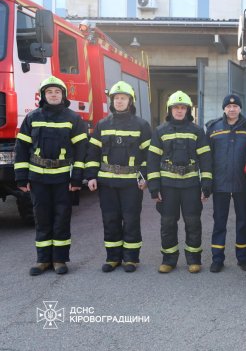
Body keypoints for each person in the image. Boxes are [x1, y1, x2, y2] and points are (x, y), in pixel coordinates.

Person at [15, 76, 88, 276]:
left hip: (63, 178)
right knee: (42, 217)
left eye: (57, 92)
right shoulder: (32, 118)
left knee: (62, 218)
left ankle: (59, 260)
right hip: (38, 177)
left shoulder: (73, 118)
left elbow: (82, 151)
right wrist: (21, 177)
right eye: (49, 92)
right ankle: (42, 260)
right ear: (43, 95)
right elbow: (21, 148)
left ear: (63, 95)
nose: (53, 95)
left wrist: (76, 179)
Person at [85, 81, 152, 273]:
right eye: (116, 98)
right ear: (112, 101)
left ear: (130, 101)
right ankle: (113, 257)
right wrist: (91, 176)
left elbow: (150, 155)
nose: (120, 101)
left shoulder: (141, 125)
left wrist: (144, 177)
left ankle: (131, 259)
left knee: (131, 220)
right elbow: (93, 153)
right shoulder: (102, 125)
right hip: (107, 182)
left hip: (131, 183)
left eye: (123, 98)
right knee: (110, 219)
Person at [147, 91, 213, 274]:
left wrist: (206, 184)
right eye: (176, 107)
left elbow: (206, 159)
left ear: (188, 110)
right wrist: (154, 187)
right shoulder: (160, 131)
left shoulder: (197, 131)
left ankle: (194, 260)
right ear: (170, 109)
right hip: (167, 186)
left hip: (191, 185)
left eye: (183, 107)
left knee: (193, 223)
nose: (179, 110)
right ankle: (168, 260)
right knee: (167, 223)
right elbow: (152, 161)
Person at [205, 94, 246, 273]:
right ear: (224, 108)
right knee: (219, 222)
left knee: (242, 222)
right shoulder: (213, 128)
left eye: (235, 106)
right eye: (228, 106)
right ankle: (217, 259)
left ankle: (243, 258)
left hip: (242, 184)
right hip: (220, 184)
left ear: (240, 108)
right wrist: (207, 182)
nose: (232, 109)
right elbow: (206, 157)